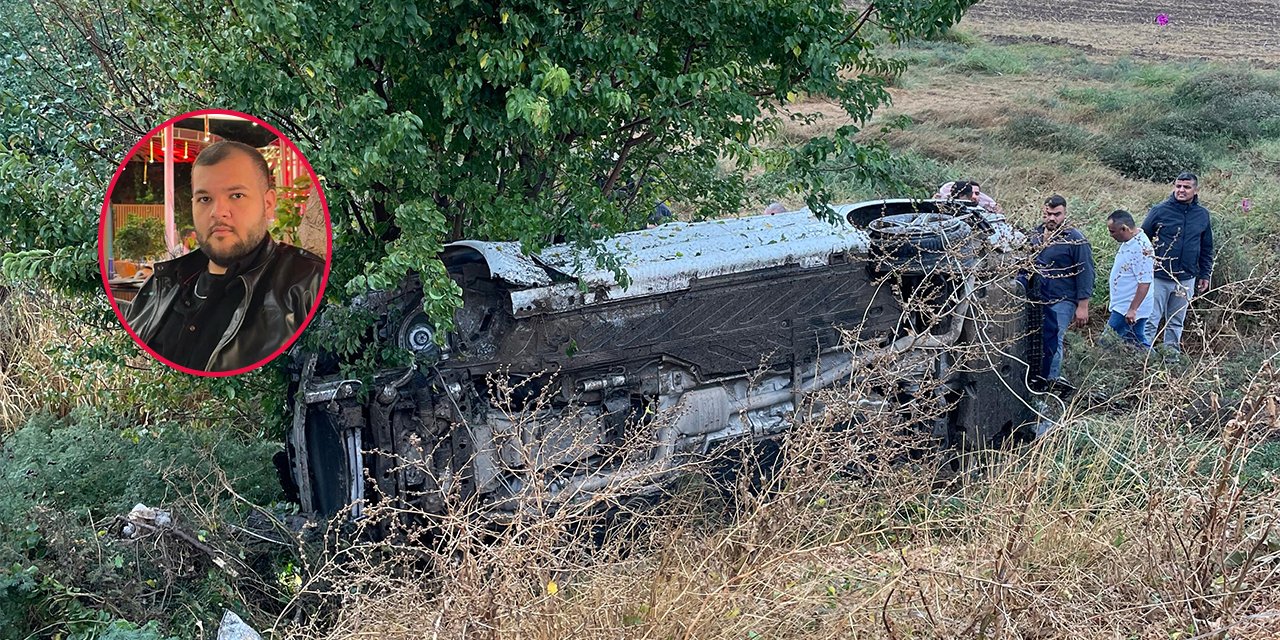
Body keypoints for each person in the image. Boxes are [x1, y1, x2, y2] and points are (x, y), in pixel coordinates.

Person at [125, 141, 325, 372]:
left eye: (236, 195)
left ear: (268, 204)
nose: (218, 212)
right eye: (205, 199)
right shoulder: (161, 285)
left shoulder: (307, 285)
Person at [1141, 171, 1215, 353]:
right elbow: (1142, 240)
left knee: (1176, 321)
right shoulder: (1159, 211)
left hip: (1186, 278)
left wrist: (1204, 274)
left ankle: (1171, 358)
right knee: (1151, 319)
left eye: (1186, 187)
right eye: (1178, 186)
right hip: (1159, 276)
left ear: (1195, 190)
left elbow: (1206, 247)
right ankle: (1143, 358)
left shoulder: (1202, 215)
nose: (1181, 190)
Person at [1027, 194, 1095, 385]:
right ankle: (1034, 380)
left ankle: (1051, 382)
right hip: (1037, 298)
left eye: (1057, 214)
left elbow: (1086, 273)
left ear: (1065, 213)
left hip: (1063, 298)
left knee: (1054, 339)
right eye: (1048, 214)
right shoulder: (1035, 234)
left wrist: (1083, 306)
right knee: (1036, 341)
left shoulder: (1075, 239)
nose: (1052, 218)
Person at [1104, 209, 1154, 348]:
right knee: (1135, 341)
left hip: (1127, 307)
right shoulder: (1131, 242)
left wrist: (1133, 309)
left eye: (1113, 231)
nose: (1111, 235)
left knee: (1107, 342)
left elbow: (1144, 282)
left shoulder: (1142, 248)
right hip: (1124, 304)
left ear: (1124, 229)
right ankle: (1155, 365)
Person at [935, 179, 1003, 213]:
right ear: (961, 195)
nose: (973, 196)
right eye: (970, 194)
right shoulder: (943, 208)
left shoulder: (982, 210)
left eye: (976, 193)